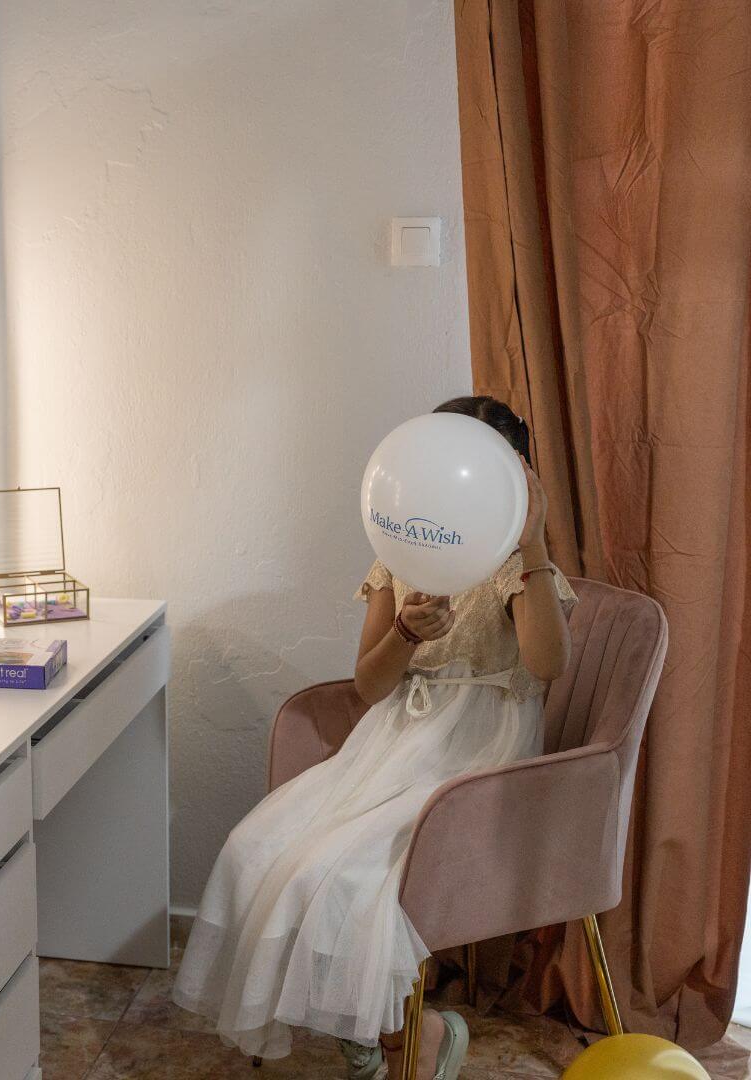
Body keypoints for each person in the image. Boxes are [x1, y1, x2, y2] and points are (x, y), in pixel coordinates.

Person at [172, 396, 577, 1080]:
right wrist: (406, 633)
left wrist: (533, 544)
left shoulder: (515, 565)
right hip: (395, 738)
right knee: (256, 848)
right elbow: (368, 685)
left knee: (354, 877)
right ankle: (371, 1028)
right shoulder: (403, 554)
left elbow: (548, 665)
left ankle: (406, 1041)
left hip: (479, 750)